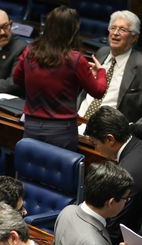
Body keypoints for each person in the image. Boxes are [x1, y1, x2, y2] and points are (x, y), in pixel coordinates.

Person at [12, 6, 106, 151]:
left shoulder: (30, 51)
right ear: (73, 30)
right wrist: (101, 72)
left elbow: (17, 79)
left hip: (31, 125)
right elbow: (98, 91)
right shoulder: (76, 59)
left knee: (32, 165)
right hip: (61, 131)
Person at [84, 106, 142, 245]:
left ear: (110, 139)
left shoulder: (126, 173)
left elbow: (116, 228)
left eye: (95, 144)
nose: (96, 150)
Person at [77, 10, 142, 124]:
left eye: (122, 30)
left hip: (108, 129)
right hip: (76, 120)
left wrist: (137, 127)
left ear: (134, 37)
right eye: (113, 28)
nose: (115, 33)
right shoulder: (101, 53)